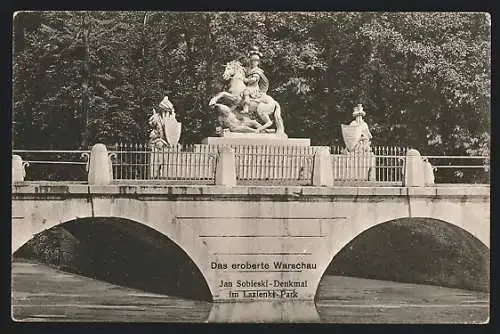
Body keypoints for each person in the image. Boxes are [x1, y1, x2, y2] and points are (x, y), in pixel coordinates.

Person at [241, 46, 269, 114]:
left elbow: (254, 79)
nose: (253, 62)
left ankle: (246, 108)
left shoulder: (258, 71)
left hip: (253, 88)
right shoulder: (248, 69)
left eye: (255, 61)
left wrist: (246, 80)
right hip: (248, 86)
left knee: (246, 92)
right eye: (252, 61)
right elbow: (243, 70)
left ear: (258, 62)